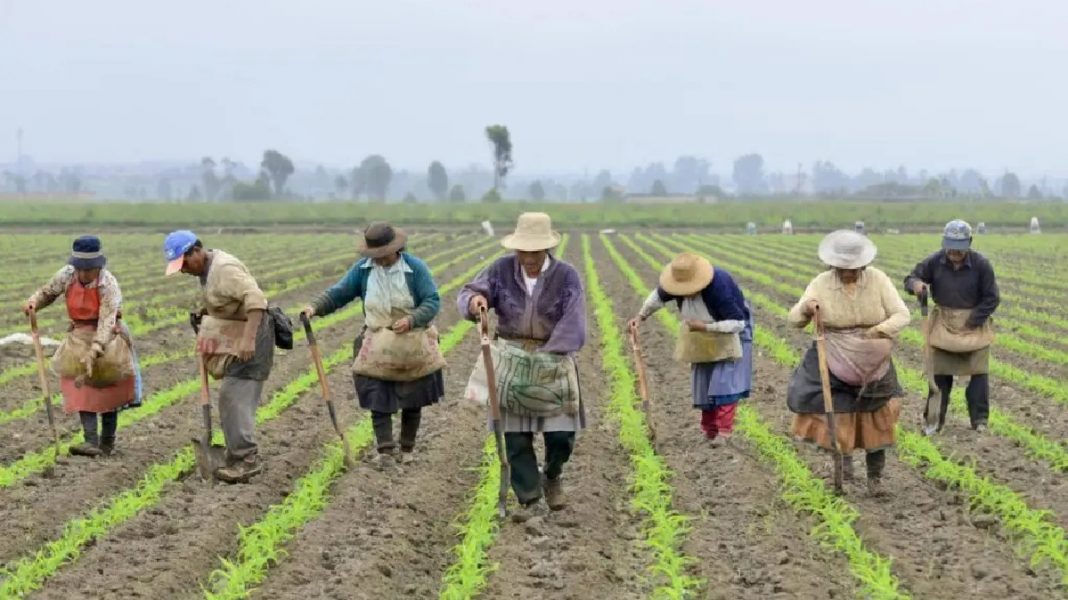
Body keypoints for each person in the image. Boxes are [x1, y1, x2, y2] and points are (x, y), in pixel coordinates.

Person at [458, 212, 586, 521]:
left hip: (552, 358)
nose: (527, 257)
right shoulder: (501, 269)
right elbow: (469, 292)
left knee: (560, 434)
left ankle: (552, 475)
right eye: (523, 251)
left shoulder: (566, 276)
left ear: (546, 249)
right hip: (512, 357)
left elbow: (574, 320)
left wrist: (551, 353)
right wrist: (475, 301)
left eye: (534, 251)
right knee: (515, 436)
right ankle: (531, 501)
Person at [302, 222, 444, 468]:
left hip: (412, 339)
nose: (379, 260)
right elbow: (340, 292)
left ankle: (407, 448)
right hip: (377, 338)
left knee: (413, 395)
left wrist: (412, 319)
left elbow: (431, 300)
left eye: (383, 255)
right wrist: (315, 307)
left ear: (396, 249)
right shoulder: (363, 270)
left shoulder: (415, 268)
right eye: (375, 255)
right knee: (377, 393)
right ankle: (386, 451)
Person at [786, 230, 910, 496]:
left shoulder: (878, 279)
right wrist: (807, 309)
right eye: (843, 268)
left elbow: (902, 314)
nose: (849, 273)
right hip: (834, 353)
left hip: (873, 356)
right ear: (833, 265)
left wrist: (877, 331)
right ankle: (844, 467)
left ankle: (875, 479)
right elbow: (794, 319)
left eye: (854, 268)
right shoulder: (820, 283)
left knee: (878, 415)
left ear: (863, 265)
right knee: (839, 415)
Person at [165, 230, 274, 483]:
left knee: (234, 396)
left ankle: (247, 459)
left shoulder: (224, 268)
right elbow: (228, 299)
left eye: (183, 263)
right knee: (232, 395)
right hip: (237, 335)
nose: (182, 270)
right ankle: (236, 453)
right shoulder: (207, 270)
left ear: (196, 251)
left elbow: (256, 300)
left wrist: (248, 340)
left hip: (254, 336)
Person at [23, 236, 139, 457]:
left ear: (98, 266)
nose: (84, 274)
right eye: (81, 269)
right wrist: (34, 302)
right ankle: (90, 441)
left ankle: (107, 443)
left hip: (108, 339)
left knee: (108, 389)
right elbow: (48, 292)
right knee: (82, 387)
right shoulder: (67, 274)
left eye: (89, 269)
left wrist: (95, 350)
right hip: (78, 336)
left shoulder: (108, 283)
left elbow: (107, 321)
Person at [629, 252, 753, 447]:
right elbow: (657, 297)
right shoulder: (676, 283)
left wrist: (706, 327)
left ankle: (723, 432)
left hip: (730, 331)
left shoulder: (718, 288)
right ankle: (709, 430)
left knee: (724, 382)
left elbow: (738, 323)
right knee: (703, 382)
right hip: (699, 332)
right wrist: (640, 316)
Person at [904, 219, 999, 433]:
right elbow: (910, 278)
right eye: (951, 247)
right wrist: (916, 285)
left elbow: (992, 298)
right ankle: (934, 421)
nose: (955, 252)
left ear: (969, 244)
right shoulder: (935, 261)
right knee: (938, 375)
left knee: (979, 375)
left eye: (960, 248)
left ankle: (980, 421)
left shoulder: (982, 265)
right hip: (944, 323)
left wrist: (973, 321)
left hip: (974, 325)